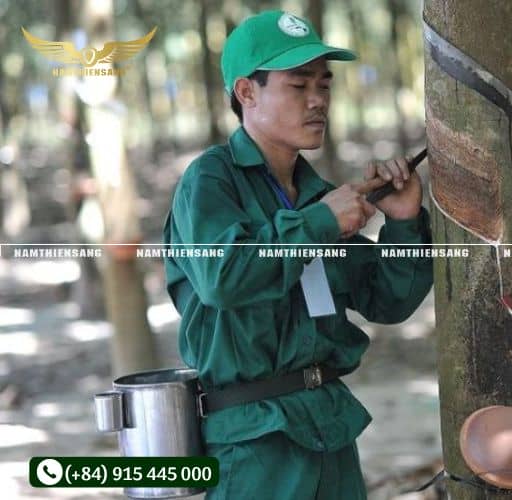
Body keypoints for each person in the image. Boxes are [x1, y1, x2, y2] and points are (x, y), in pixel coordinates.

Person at [162, 10, 433, 499]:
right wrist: (319, 224)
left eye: (324, 86)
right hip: (255, 441)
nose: (318, 101)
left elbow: (387, 302)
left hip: (329, 428)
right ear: (247, 93)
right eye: (298, 85)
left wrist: (404, 221)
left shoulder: (315, 193)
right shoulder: (211, 181)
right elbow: (223, 277)